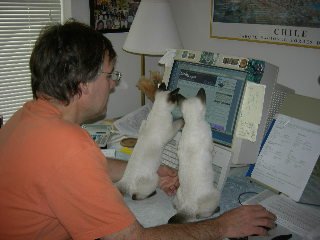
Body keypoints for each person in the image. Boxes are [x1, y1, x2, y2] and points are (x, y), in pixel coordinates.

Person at [0, 20, 276, 240]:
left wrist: (149, 170)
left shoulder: (27, 118)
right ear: (83, 84)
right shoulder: (67, 145)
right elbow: (132, 238)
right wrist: (222, 226)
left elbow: (87, 165)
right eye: (110, 76)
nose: (112, 85)